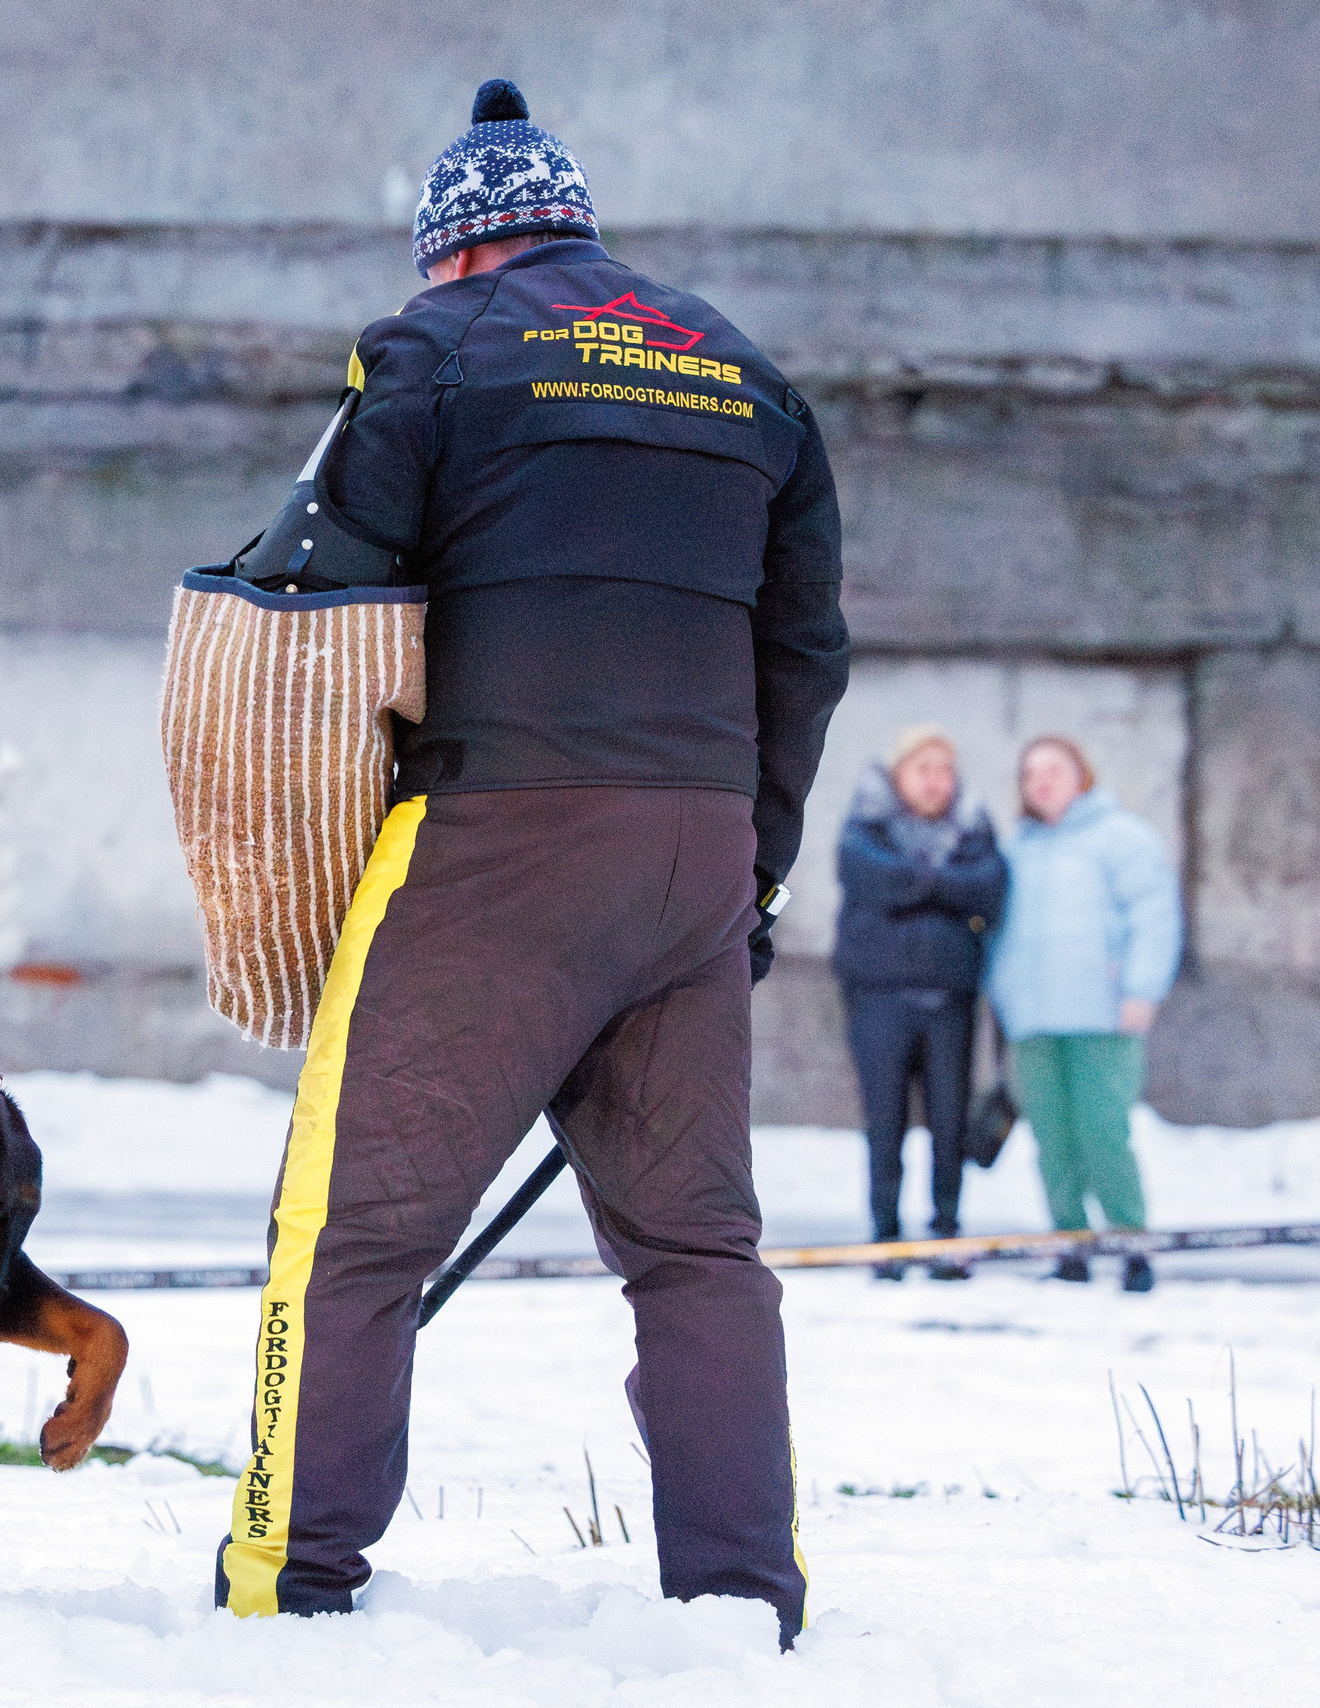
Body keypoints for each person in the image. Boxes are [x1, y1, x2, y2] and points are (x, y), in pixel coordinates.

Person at [211, 79, 847, 1649]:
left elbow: (317, 598)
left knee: (351, 1229)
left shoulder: (428, 353)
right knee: (697, 1246)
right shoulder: (748, 377)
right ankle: (739, 1598)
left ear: (453, 251)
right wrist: (748, 877)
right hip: (696, 845)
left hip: (500, 835)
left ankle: (287, 1579)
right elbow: (806, 652)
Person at [983, 736, 1181, 1292]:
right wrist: (1004, 995)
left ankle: (1132, 1242)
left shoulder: (1122, 838)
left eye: (1054, 769)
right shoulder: (1018, 848)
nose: (1041, 782)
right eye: (1031, 774)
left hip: (1103, 1017)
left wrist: (1143, 988)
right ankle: (1070, 1245)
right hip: (1035, 1020)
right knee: (1051, 1137)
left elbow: (1154, 915)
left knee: (1102, 1132)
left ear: (1081, 776)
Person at [829, 725, 1007, 1281]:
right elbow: (872, 880)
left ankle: (946, 1230)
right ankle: (885, 1237)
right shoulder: (864, 827)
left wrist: (916, 885)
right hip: (878, 997)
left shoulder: (975, 829)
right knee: (885, 1120)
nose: (935, 782)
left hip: (951, 999)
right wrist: (944, 886)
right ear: (897, 775)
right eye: (922, 769)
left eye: (944, 770)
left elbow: (989, 887)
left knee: (949, 1118)